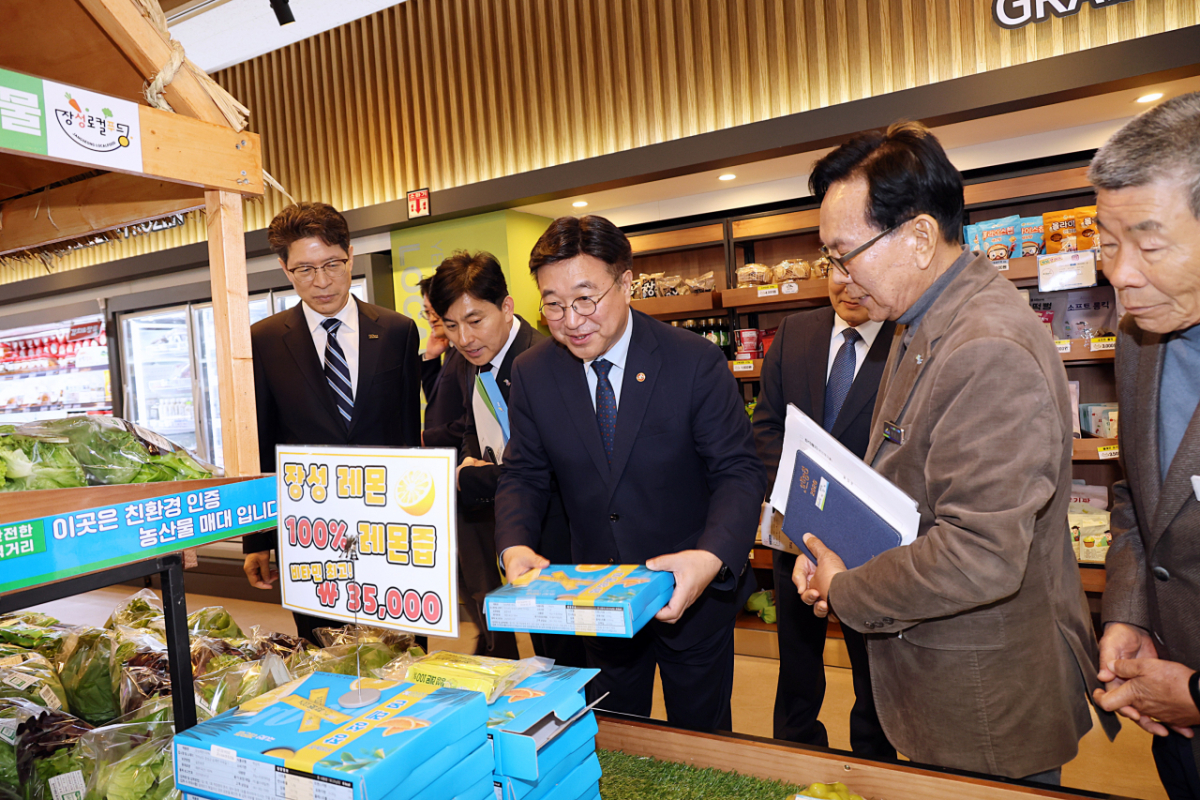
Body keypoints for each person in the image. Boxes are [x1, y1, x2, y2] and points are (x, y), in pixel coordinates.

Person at [792, 122, 1118, 780]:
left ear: (918, 238)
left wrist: (847, 588)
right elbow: (906, 483)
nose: (839, 276)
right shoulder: (919, 319)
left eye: (845, 254)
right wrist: (833, 553)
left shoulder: (985, 346)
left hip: (986, 702)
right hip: (943, 680)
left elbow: (980, 553)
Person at [495, 215, 766, 731]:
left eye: (585, 298)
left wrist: (710, 557)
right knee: (613, 735)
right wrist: (514, 545)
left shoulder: (693, 360)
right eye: (553, 304)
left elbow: (737, 471)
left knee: (700, 739)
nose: (571, 320)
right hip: (595, 596)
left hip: (690, 590)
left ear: (625, 282)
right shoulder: (534, 372)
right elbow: (523, 472)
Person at [1088, 91, 1200, 800]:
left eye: (1150, 245)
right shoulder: (1138, 337)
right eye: (1107, 242)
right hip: (1174, 735)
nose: (1121, 273)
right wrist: (1128, 611)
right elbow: (1139, 497)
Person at [242, 202, 421, 644]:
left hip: (390, 524)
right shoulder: (263, 341)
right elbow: (262, 443)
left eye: (331, 265)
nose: (321, 282)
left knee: (401, 645)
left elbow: (408, 439)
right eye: (304, 269)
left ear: (350, 256)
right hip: (310, 531)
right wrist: (258, 539)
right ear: (284, 269)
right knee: (325, 648)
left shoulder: (397, 331)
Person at [752, 271, 896, 758]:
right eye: (837, 269)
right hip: (796, 531)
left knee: (872, 671)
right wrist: (801, 507)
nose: (848, 285)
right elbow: (766, 425)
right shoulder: (797, 331)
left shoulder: (904, 337)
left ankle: (873, 766)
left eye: (861, 273)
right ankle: (796, 755)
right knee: (796, 664)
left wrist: (845, 520)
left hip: (869, 544)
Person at [427, 250, 587, 667]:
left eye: (474, 320)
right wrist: (469, 462)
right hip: (517, 535)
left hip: (562, 539)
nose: (464, 338)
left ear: (506, 307)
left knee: (574, 659)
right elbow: (470, 426)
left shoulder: (548, 360)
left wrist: (470, 479)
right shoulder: (473, 359)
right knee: (547, 657)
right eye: (451, 325)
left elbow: (551, 470)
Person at [418, 274, 470, 451]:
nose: (432, 319)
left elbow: (470, 419)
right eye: (427, 312)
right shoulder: (450, 349)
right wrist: (430, 358)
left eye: (436, 311)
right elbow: (438, 401)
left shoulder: (466, 351)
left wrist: (426, 438)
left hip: (463, 456)